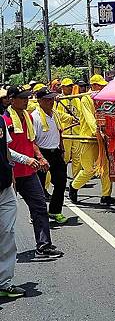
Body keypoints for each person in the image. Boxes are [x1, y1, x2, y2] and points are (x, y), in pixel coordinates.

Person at [3, 86, 62, 259]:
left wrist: (40, 157)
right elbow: (5, 150)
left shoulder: (28, 117)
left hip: (28, 172)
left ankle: (43, 246)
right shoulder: (5, 121)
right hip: (11, 175)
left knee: (39, 208)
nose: (26, 100)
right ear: (12, 100)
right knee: (6, 216)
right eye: (22, 98)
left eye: (27, 97)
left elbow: (32, 141)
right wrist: (25, 159)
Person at [69, 75, 115, 205]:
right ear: (94, 86)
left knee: (106, 168)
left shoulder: (103, 98)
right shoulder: (86, 99)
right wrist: (97, 130)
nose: (102, 88)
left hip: (103, 137)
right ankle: (74, 186)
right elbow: (89, 118)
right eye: (100, 85)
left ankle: (106, 196)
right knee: (89, 169)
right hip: (88, 138)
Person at [31, 87, 68, 224]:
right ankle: (37, 214)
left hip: (56, 152)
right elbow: (32, 140)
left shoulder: (55, 114)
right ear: (39, 101)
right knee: (39, 187)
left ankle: (55, 211)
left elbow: (59, 132)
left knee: (61, 182)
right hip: (41, 153)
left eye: (52, 98)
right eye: (47, 99)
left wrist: (62, 149)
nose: (51, 102)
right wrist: (40, 158)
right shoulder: (35, 117)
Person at [0, 114, 25, 298]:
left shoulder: (0, 120)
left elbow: (6, 150)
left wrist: (12, 176)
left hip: (4, 186)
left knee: (7, 235)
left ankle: (3, 282)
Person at [56, 77, 82, 178]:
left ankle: (76, 179)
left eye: (71, 86)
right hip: (65, 132)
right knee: (65, 158)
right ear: (62, 87)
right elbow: (56, 115)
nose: (70, 88)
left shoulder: (76, 99)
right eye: (68, 86)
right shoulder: (58, 100)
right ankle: (62, 177)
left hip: (76, 131)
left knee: (77, 157)